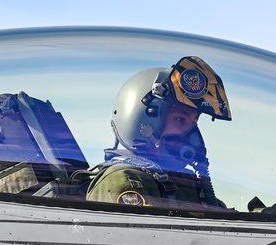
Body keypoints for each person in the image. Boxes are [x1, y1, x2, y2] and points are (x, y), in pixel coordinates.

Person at [86, 56, 232, 208]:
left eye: (193, 122)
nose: (191, 133)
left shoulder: (185, 184)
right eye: (181, 120)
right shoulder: (125, 182)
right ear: (143, 123)